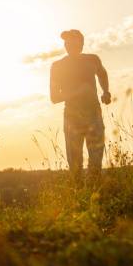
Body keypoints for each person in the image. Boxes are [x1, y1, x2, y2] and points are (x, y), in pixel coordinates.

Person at [49, 29, 111, 182]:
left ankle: (96, 199)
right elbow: (54, 97)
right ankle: (79, 201)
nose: (68, 44)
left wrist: (106, 91)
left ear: (81, 43)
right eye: (66, 42)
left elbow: (102, 73)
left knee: (96, 165)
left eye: (72, 41)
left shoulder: (92, 60)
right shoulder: (58, 66)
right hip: (72, 118)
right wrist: (77, 92)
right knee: (75, 167)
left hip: (93, 114)